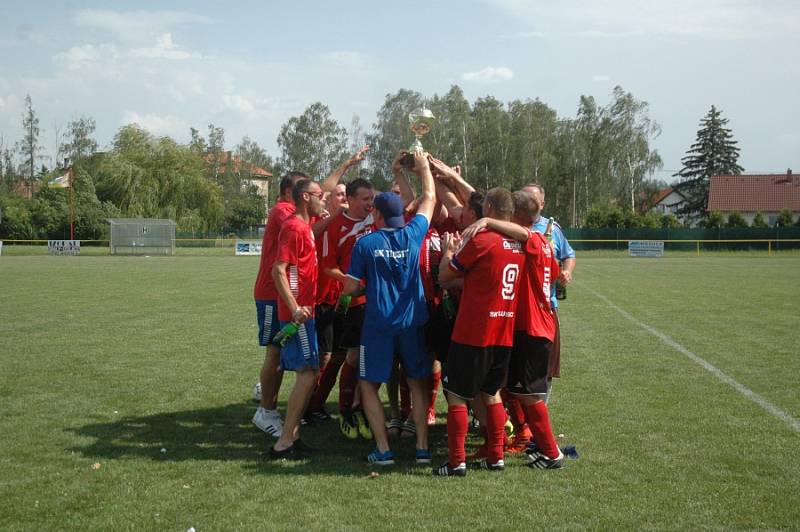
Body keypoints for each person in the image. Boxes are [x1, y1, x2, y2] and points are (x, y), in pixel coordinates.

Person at [342, 148, 436, 466]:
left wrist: (368, 284)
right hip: (412, 322)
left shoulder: (365, 243)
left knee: (369, 384)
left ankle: (383, 450)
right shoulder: (414, 234)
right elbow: (429, 200)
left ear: (378, 216)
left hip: (378, 325)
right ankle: (422, 448)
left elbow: (351, 287)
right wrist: (423, 169)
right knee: (416, 383)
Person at [460, 190, 566, 469]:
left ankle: (552, 453)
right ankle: (532, 445)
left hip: (532, 327)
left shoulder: (530, 238)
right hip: (538, 323)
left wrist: (488, 223)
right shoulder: (543, 243)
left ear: (517, 217)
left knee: (528, 394)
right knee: (518, 391)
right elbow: (554, 274)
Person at [435, 187, 525, 477]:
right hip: (504, 330)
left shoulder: (483, 240)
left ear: (488, 208)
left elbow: (446, 275)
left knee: (456, 395)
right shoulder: (520, 241)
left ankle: (456, 461)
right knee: (491, 393)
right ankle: (495, 456)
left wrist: (449, 253)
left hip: (474, 331)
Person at [269, 178, 325, 458]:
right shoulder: (293, 227)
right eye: (320, 195)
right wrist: (294, 308)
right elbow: (279, 271)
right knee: (307, 374)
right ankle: (283, 442)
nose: (323, 199)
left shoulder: (305, 227)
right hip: (299, 316)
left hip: (306, 313)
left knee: (311, 373)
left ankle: (292, 435)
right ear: (306, 197)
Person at [252, 172, 307, 437]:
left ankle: (266, 390)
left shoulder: (292, 209)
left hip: (283, 294)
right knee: (275, 351)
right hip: (271, 293)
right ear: (289, 192)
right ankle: (266, 412)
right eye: (302, 190)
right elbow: (303, 227)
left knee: (279, 351)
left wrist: (345, 165)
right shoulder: (282, 211)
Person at [320, 178, 376, 439]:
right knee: (353, 356)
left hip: (380, 302)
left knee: (374, 359)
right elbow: (328, 266)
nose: (370, 203)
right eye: (365, 199)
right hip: (355, 302)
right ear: (350, 199)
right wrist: (351, 282)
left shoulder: (377, 219)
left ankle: (366, 407)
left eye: (371, 198)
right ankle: (346, 411)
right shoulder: (336, 226)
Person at [521, 184, 576, 400]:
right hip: (514, 308)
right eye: (523, 198)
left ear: (542, 205)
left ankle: (538, 416)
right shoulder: (508, 225)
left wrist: (567, 271)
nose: (527, 203)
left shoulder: (553, 229)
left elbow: (569, 255)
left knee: (545, 368)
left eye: (532, 200)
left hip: (546, 308)